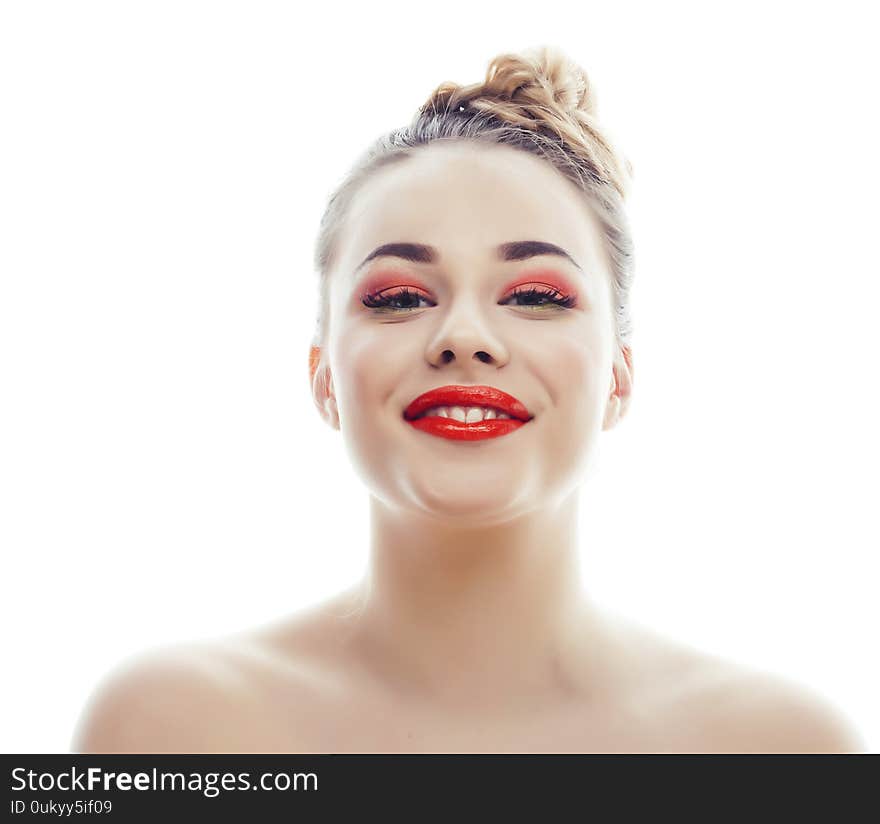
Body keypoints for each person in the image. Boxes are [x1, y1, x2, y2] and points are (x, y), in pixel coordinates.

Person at [72, 45, 865, 754]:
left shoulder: (783, 750)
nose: (463, 336)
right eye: (396, 298)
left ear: (619, 376)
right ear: (323, 379)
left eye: (533, 293)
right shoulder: (166, 730)